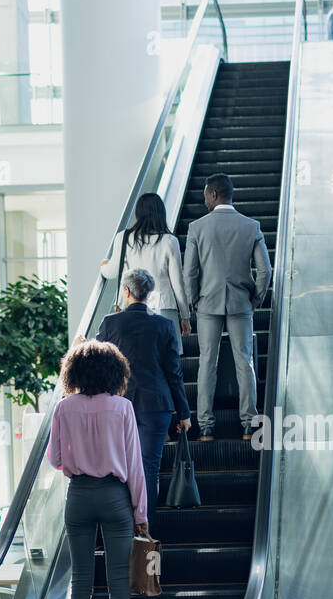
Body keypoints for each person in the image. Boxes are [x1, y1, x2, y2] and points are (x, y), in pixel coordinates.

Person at [48, 339, 149, 599]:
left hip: (78, 496)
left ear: (74, 372)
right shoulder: (122, 408)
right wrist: (141, 512)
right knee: (119, 583)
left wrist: (78, 464)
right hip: (114, 496)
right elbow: (135, 465)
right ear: (114, 372)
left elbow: (55, 458)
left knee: (81, 582)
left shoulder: (64, 408)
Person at [183, 172, 272, 442]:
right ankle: (248, 425)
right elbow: (265, 270)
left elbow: (189, 272)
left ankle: (206, 427)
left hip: (207, 304)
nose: (204, 200)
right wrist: (255, 298)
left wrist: (194, 300)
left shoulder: (197, 227)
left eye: (205, 195)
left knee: (207, 362)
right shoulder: (250, 226)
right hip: (240, 303)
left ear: (213, 194)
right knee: (244, 361)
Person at [96, 268, 191, 518]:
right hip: (156, 406)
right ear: (148, 294)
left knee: (118, 467)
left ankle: (122, 529)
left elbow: (96, 365)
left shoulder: (109, 323)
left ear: (126, 292)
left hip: (117, 406)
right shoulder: (165, 325)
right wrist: (183, 413)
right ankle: (146, 536)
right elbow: (174, 373)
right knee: (149, 469)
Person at [100, 191, 191, 352]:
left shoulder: (123, 238)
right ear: (161, 214)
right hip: (163, 308)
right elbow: (178, 283)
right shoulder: (169, 241)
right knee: (167, 359)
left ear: (138, 213)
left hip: (132, 308)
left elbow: (112, 272)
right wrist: (185, 316)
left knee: (136, 358)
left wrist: (103, 265)